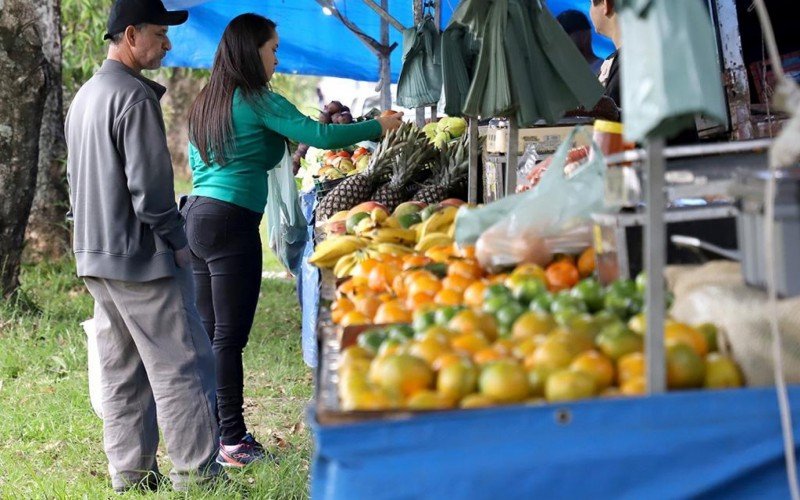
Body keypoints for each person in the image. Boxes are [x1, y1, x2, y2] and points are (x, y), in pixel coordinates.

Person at [185, 13, 403, 468]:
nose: (277, 58)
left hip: (197, 219)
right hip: (229, 223)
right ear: (252, 51)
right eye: (273, 49)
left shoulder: (206, 101)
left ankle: (204, 432)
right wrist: (376, 126)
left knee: (209, 336)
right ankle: (232, 440)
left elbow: (262, 151)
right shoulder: (257, 98)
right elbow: (319, 134)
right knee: (228, 339)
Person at [64, 0, 220, 493]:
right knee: (182, 365)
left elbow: (75, 183)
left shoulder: (85, 96)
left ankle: (130, 475)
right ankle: (197, 475)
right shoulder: (133, 97)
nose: (167, 44)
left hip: (95, 255)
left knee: (122, 369)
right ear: (130, 35)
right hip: (140, 258)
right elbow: (151, 193)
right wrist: (178, 242)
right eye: (159, 33)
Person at [557, 9, 603, 75]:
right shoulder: (559, 73)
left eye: (565, 34)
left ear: (585, 35)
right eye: (557, 35)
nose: (560, 41)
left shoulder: (605, 72)